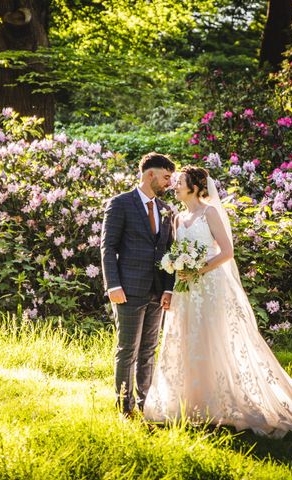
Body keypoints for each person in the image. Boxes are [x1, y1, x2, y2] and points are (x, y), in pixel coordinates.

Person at [143, 166, 292, 437]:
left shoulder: (210, 212)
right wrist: (179, 267)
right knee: (187, 338)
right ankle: (192, 401)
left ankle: (223, 400)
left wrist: (198, 269)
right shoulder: (179, 218)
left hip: (211, 288)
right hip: (187, 290)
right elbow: (179, 251)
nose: (175, 186)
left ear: (194, 187)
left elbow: (226, 252)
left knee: (213, 339)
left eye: (180, 182)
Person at [101, 152, 176, 418]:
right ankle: (124, 407)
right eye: (166, 177)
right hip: (128, 290)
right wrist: (113, 285)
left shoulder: (167, 210)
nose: (169, 183)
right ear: (150, 174)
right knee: (127, 350)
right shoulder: (120, 204)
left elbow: (170, 252)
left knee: (147, 351)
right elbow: (108, 247)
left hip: (157, 292)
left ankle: (146, 404)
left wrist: (168, 289)